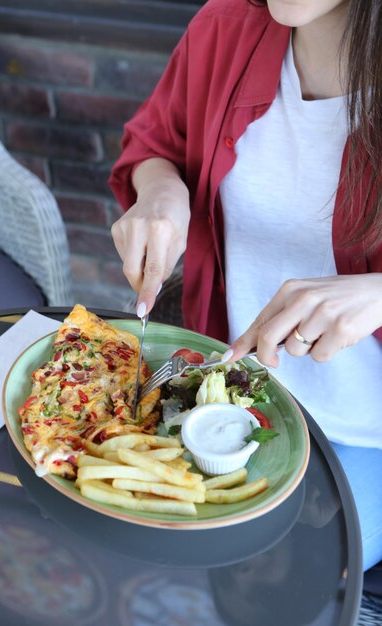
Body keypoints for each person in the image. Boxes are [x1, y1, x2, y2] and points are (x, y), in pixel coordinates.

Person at [109, 0, 382, 571]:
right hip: (229, 398)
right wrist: (160, 191)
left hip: (368, 434)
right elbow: (153, 141)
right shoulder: (223, 28)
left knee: (292, 573)